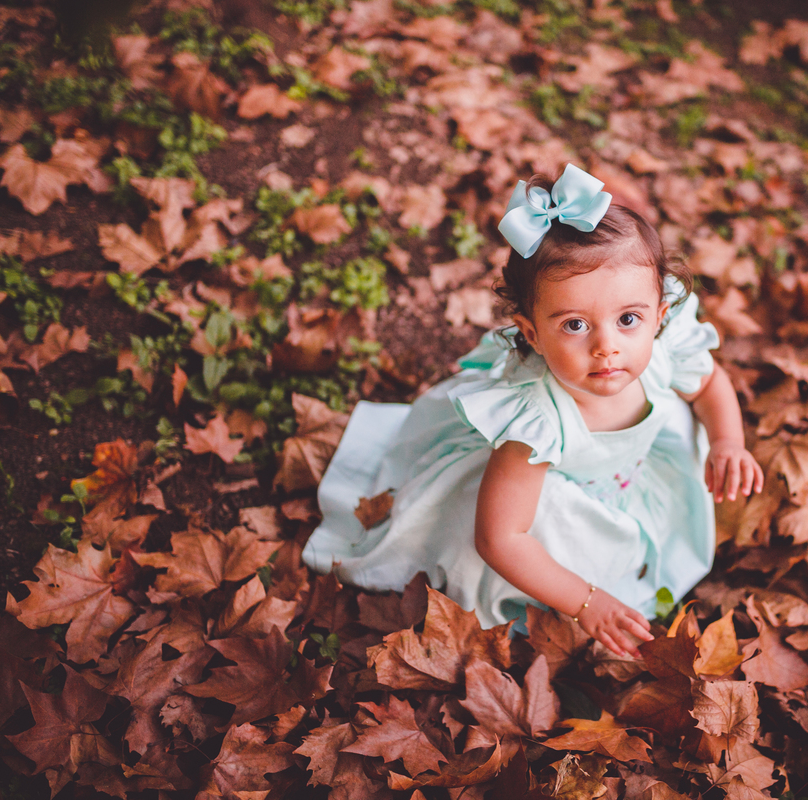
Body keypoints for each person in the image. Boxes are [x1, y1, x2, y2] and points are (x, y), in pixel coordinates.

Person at [302, 164, 764, 657]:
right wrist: (586, 603)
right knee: (523, 546)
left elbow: (709, 382)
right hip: (546, 511)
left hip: (628, 479)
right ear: (531, 334)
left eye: (629, 319)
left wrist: (727, 441)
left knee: (681, 420)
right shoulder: (538, 420)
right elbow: (500, 538)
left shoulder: (663, 348)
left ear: (659, 316)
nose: (607, 347)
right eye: (574, 325)